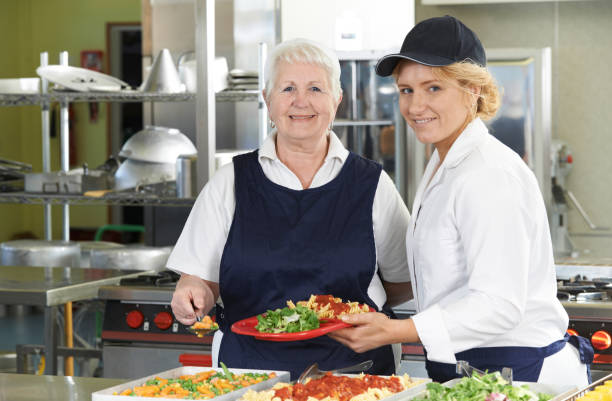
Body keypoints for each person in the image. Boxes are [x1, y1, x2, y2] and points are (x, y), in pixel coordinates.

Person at [328, 16, 593, 386]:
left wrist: (395, 331)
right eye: (406, 90)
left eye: (433, 87)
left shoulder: (488, 173)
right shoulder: (443, 161)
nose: (415, 105)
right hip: (473, 371)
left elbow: (499, 306)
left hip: (518, 376)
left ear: (473, 90)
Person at [167, 38, 412, 379]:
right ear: (267, 100)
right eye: (287, 88)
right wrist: (191, 293)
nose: (301, 101)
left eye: (315, 88)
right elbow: (199, 282)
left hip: (355, 375)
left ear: (337, 99)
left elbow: (403, 282)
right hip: (249, 375)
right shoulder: (230, 182)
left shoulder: (372, 184)